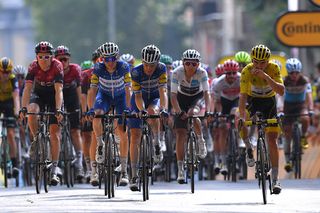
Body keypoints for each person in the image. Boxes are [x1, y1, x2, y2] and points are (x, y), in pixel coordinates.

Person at [238, 44, 284, 194]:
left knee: (272, 139)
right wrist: (242, 117)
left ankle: (276, 179)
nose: (259, 65)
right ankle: (248, 148)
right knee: (239, 120)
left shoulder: (274, 68)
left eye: (263, 62)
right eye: (256, 62)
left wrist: (266, 76)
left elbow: (281, 91)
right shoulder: (246, 71)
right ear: (252, 60)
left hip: (269, 102)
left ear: (268, 61)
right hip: (253, 100)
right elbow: (243, 96)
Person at [87, 42, 132, 186]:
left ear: (117, 57)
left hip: (120, 98)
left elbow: (128, 89)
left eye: (113, 59)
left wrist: (129, 108)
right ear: (102, 59)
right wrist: (90, 108)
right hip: (104, 96)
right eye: (106, 59)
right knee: (97, 113)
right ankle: (100, 143)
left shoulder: (124, 66)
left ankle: (124, 171)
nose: (110, 63)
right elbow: (92, 90)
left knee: (122, 131)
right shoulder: (98, 68)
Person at [20, 41, 64, 186]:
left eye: (46, 57)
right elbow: (27, 89)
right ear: (36, 57)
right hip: (38, 94)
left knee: (54, 133)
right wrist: (23, 108)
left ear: (52, 57)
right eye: (40, 57)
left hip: (53, 96)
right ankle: (36, 138)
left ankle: (55, 168)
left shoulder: (57, 66)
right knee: (32, 111)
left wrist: (58, 109)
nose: (43, 60)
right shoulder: (33, 66)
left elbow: (59, 91)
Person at [129, 44, 167, 191]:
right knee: (135, 135)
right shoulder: (136, 72)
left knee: (153, 111)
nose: (149, 68)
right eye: (146, 64)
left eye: (152, 65)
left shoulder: (162, 68)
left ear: (157, 63)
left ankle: (157, 142)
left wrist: (163, 109)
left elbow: (163, 91)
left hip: (155, 97)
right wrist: (141, 110)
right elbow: (137, 96)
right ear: (142, 62)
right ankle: (133, 174)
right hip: (140, 97)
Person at [170, 49, 210, 184]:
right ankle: (181, 169)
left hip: (196, 98)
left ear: (198, 65)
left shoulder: (202, 73)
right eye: (188, 63)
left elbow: (206, 94)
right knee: (180, 134)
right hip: (180, 99)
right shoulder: (176, 72)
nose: (190, 67)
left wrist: (208, 110)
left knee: (193, 113)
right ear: (183, 63)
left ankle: (200, 140)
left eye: (194, 64)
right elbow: (173, 96)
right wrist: (178, 111)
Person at [54, 45, 84, 180]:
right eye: (60, 60)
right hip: (57, 97)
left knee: (75, 131)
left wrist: (82, 109)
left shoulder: (75, 69)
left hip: (72, 97)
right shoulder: (54, 69)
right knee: (56, 131)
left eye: (65, 59)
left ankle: (79, 160)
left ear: (69, 59)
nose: (63, 62)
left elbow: (79, 90)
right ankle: (57, 161)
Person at [281, 58, 313, 172]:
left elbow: (309, 95)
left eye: (296, 73)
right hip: (288, 106)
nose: (294, 75)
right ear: (288, 73)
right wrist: (279, 109)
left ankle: (303, 136)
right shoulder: (283, 81)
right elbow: (279, 95)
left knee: (305, 117)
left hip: (300, 105)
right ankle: (288, 160)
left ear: (300, 72)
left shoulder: (305, 80)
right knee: (287, 132)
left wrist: (311, 109)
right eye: (291, 73)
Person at [212, 59, 240, 175]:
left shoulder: (241, 78)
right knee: (223, 129)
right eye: (229, 73)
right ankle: (223, 161)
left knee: (237, 115)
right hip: (224, 102)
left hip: (236, 100)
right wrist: (220, 115)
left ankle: (239, 143)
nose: (232, 76)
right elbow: (217, 102)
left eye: (234, 73)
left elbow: (245, 96)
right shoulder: (219, 83)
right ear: (225, 73)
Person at [80, 51, 100, 185]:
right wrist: (85, 112)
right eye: (97, 60)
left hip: (108, 104)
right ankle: (91, 168)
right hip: (92, 105)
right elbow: (84, 95)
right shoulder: (88, 74)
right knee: (90, 135)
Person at [0, 57, 20, 178]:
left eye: (8, 72)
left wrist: (17, 112)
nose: (6, 75)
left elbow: (16, 97)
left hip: (8, 103)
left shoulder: (13, 79)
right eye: (3, 72)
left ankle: (14, 164)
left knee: (11, 134)